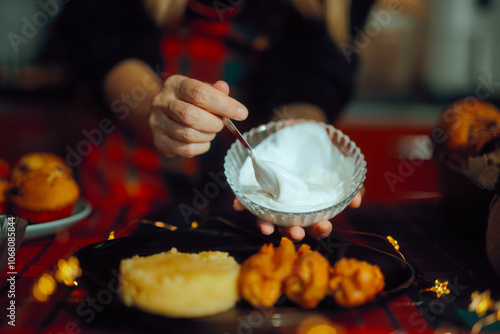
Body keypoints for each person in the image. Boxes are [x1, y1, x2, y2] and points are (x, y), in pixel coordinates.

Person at [40, 0, 372, 241]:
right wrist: (155, 109)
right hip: (127, 182)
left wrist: (298, 136)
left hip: (246, 201)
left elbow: (317, 59)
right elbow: (100, 32)